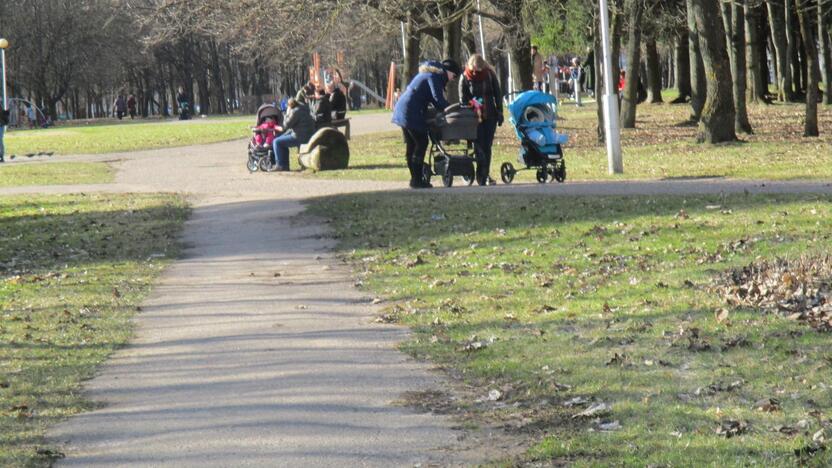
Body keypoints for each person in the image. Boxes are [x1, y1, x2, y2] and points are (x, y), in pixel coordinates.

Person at [391, 58, 461, 189]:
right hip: (410, 111)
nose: (453, 79)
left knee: (412, 145)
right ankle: (417, 180)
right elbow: (437, 99)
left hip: (404, 109)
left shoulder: (428, 74)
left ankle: (415, 179)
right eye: (454, 75)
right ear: (448, 72)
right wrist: (451, 108)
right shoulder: (434, 77)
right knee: (421, 142)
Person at [459, 54, 503, 186]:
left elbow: (497, 94)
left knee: (487, 146)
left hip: (490, 115)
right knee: (479, 146)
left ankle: (485, 174)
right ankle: (480, 175)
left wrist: (500, 111)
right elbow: (463, 99)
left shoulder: (489, 75)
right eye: (473, 70)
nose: (475, 73)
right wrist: (474, 104)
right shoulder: (465, 77)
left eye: (478, 70)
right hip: (474, 117)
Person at [271, 98, 315, 171]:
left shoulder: (294, 112)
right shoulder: (304, 109)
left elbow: (285, 126)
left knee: (276, 141)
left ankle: (280, 165)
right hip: (308, 135)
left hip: (300, 137)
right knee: (282, 139)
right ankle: (284, 166)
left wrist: (286, 113)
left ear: (290, 106)